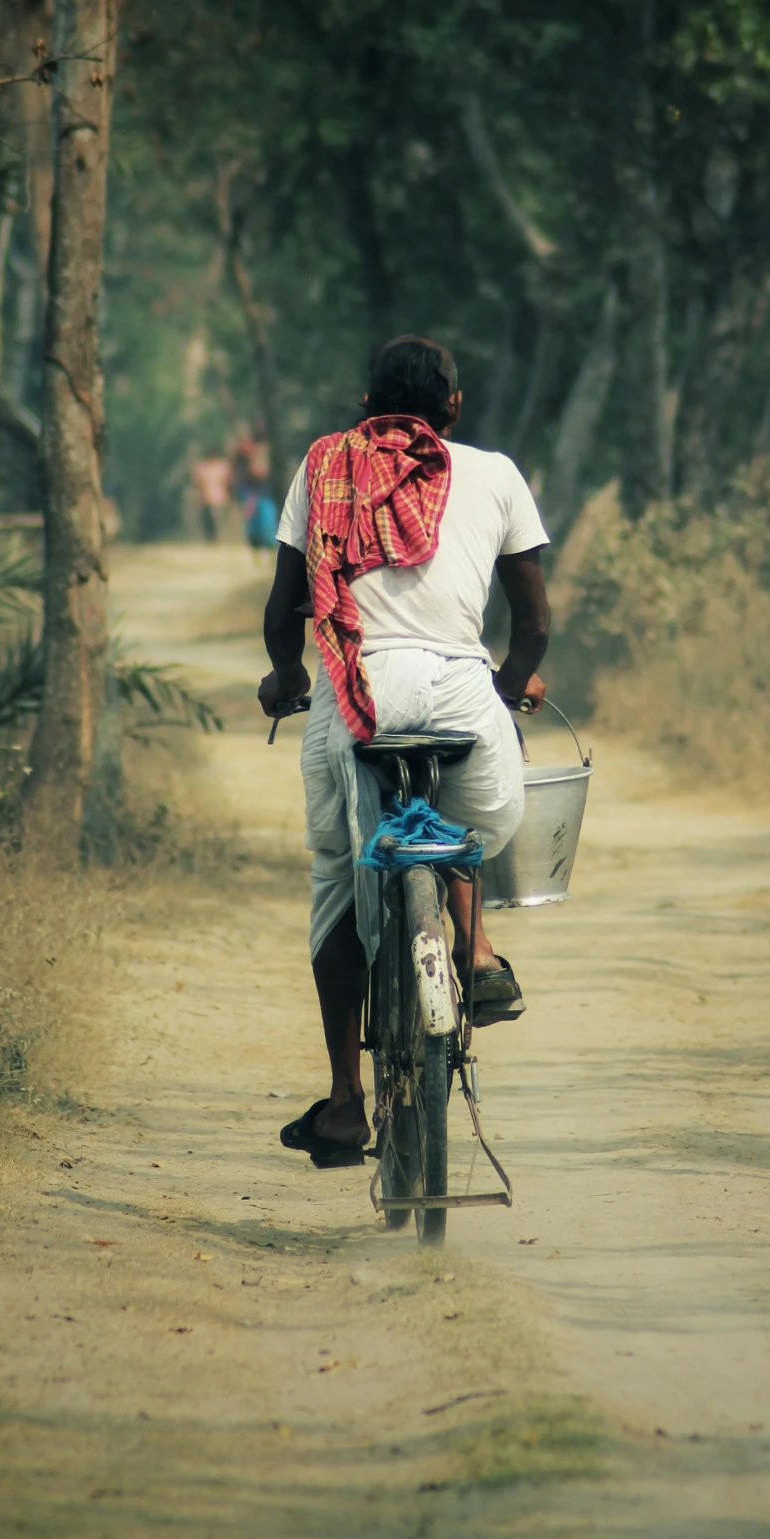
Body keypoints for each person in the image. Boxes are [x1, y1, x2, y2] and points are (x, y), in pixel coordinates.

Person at [258, 334, 551, 1155]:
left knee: (337, 882)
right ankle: (478, 947)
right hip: (461, 691)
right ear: (454, 407)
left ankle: (346, 1100)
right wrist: (511, 679)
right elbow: (530, 625)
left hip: (357, 693)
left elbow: (286, 610)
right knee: (464, 828)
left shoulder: (322, 468)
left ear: (364, 406)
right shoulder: (493, 473)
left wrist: (285, 674)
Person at [191, 453, 232, 541]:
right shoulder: (202, 468)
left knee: (216, 520)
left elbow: (228, 481)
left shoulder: (222, 467)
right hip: (207, 498)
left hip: (218, 498)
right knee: (208, 521)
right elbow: (197, 483)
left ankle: (216, 538)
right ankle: (210, 538)